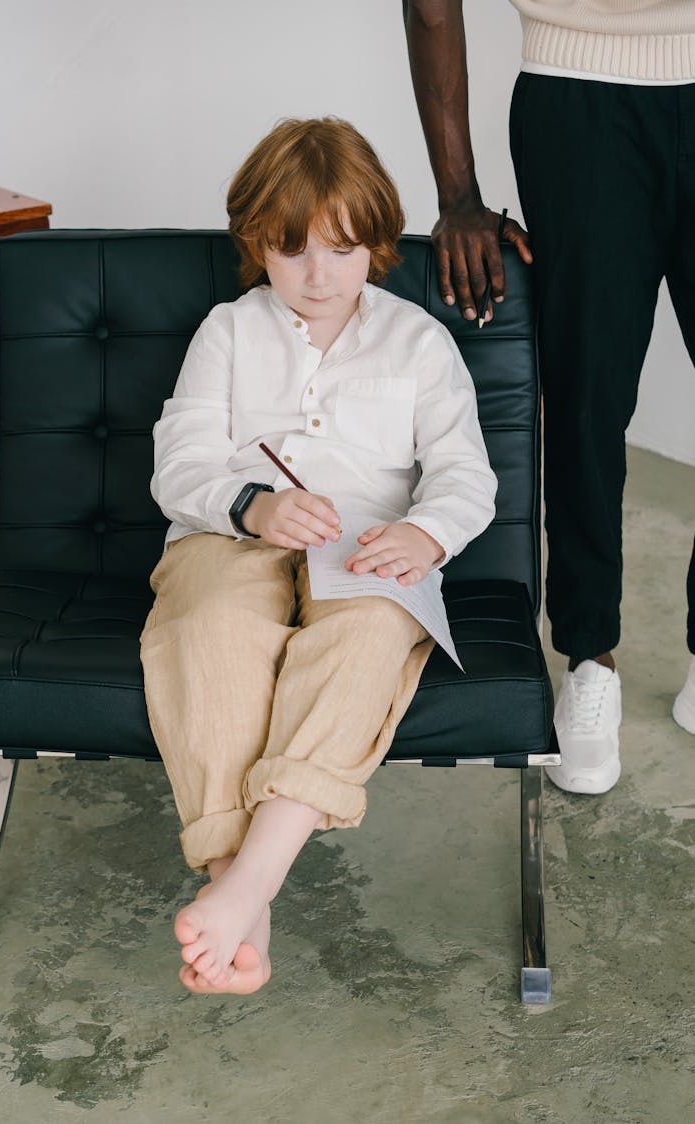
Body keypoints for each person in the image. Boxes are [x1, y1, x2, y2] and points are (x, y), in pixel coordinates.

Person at [140, 117, 497, 996]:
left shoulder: (419, 341)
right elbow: (179, 461)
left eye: (339, 251)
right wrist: (251, 506)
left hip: (370, 553)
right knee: (209, 629)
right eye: (290, 251)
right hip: (228, 538)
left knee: (366, 641)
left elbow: (466, 475)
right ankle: (239, 883)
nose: (315, 275)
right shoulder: (227, 331)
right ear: (256, 242)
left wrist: (426, 533)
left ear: (375, 243)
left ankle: (244, 885)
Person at [404, 0, 695, 795]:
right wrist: (456, 195)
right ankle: (589, 659)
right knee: (585, 398)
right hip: (580, 89)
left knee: (584, 401)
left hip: (577, 112)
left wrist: (462, 194)